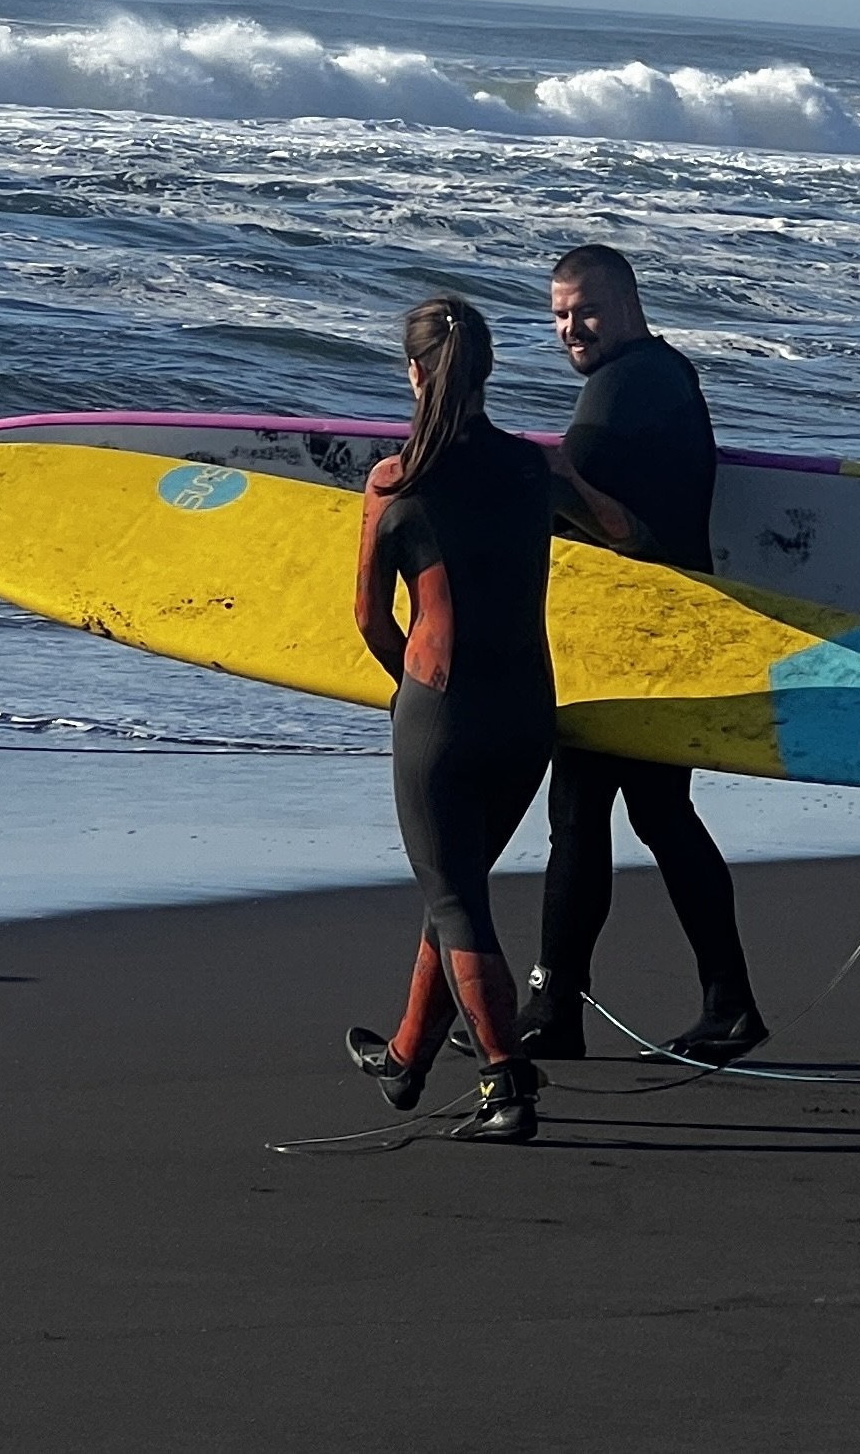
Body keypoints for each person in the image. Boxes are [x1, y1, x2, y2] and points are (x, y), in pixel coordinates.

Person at [520, 243, 769, 1065]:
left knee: (582, 819)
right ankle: (724, 1002)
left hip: (638, 637)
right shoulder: (664, 377)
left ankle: (554, 1010)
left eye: (584, 309)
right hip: (663, 626)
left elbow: (568, 483)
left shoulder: (629, 383)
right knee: (654, 815)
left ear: (626, 303)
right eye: (558, 314)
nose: (571, 328)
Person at [343, 295, 557, 1142]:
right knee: (454, 889)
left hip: (445, 714)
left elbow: (367, 618)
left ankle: (507, 1084)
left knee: (459, 899)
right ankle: (405, 1059)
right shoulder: (530, 471)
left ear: (415, 371)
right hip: (529, 712)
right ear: (488, 372)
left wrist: (413, 686)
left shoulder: (398, 483)